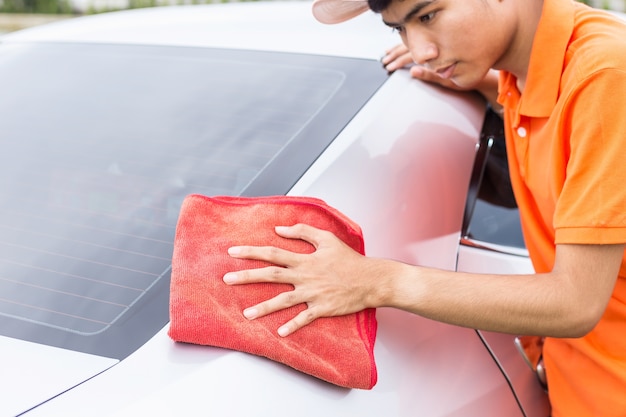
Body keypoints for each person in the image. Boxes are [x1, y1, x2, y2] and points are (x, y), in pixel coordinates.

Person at [222, 0, 626, 415]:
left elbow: (575, 302)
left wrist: (375, 280)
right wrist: (489, 84)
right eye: (399, 29)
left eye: (428, 15)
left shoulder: (605, 77)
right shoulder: (530, 73)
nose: (420, 52)